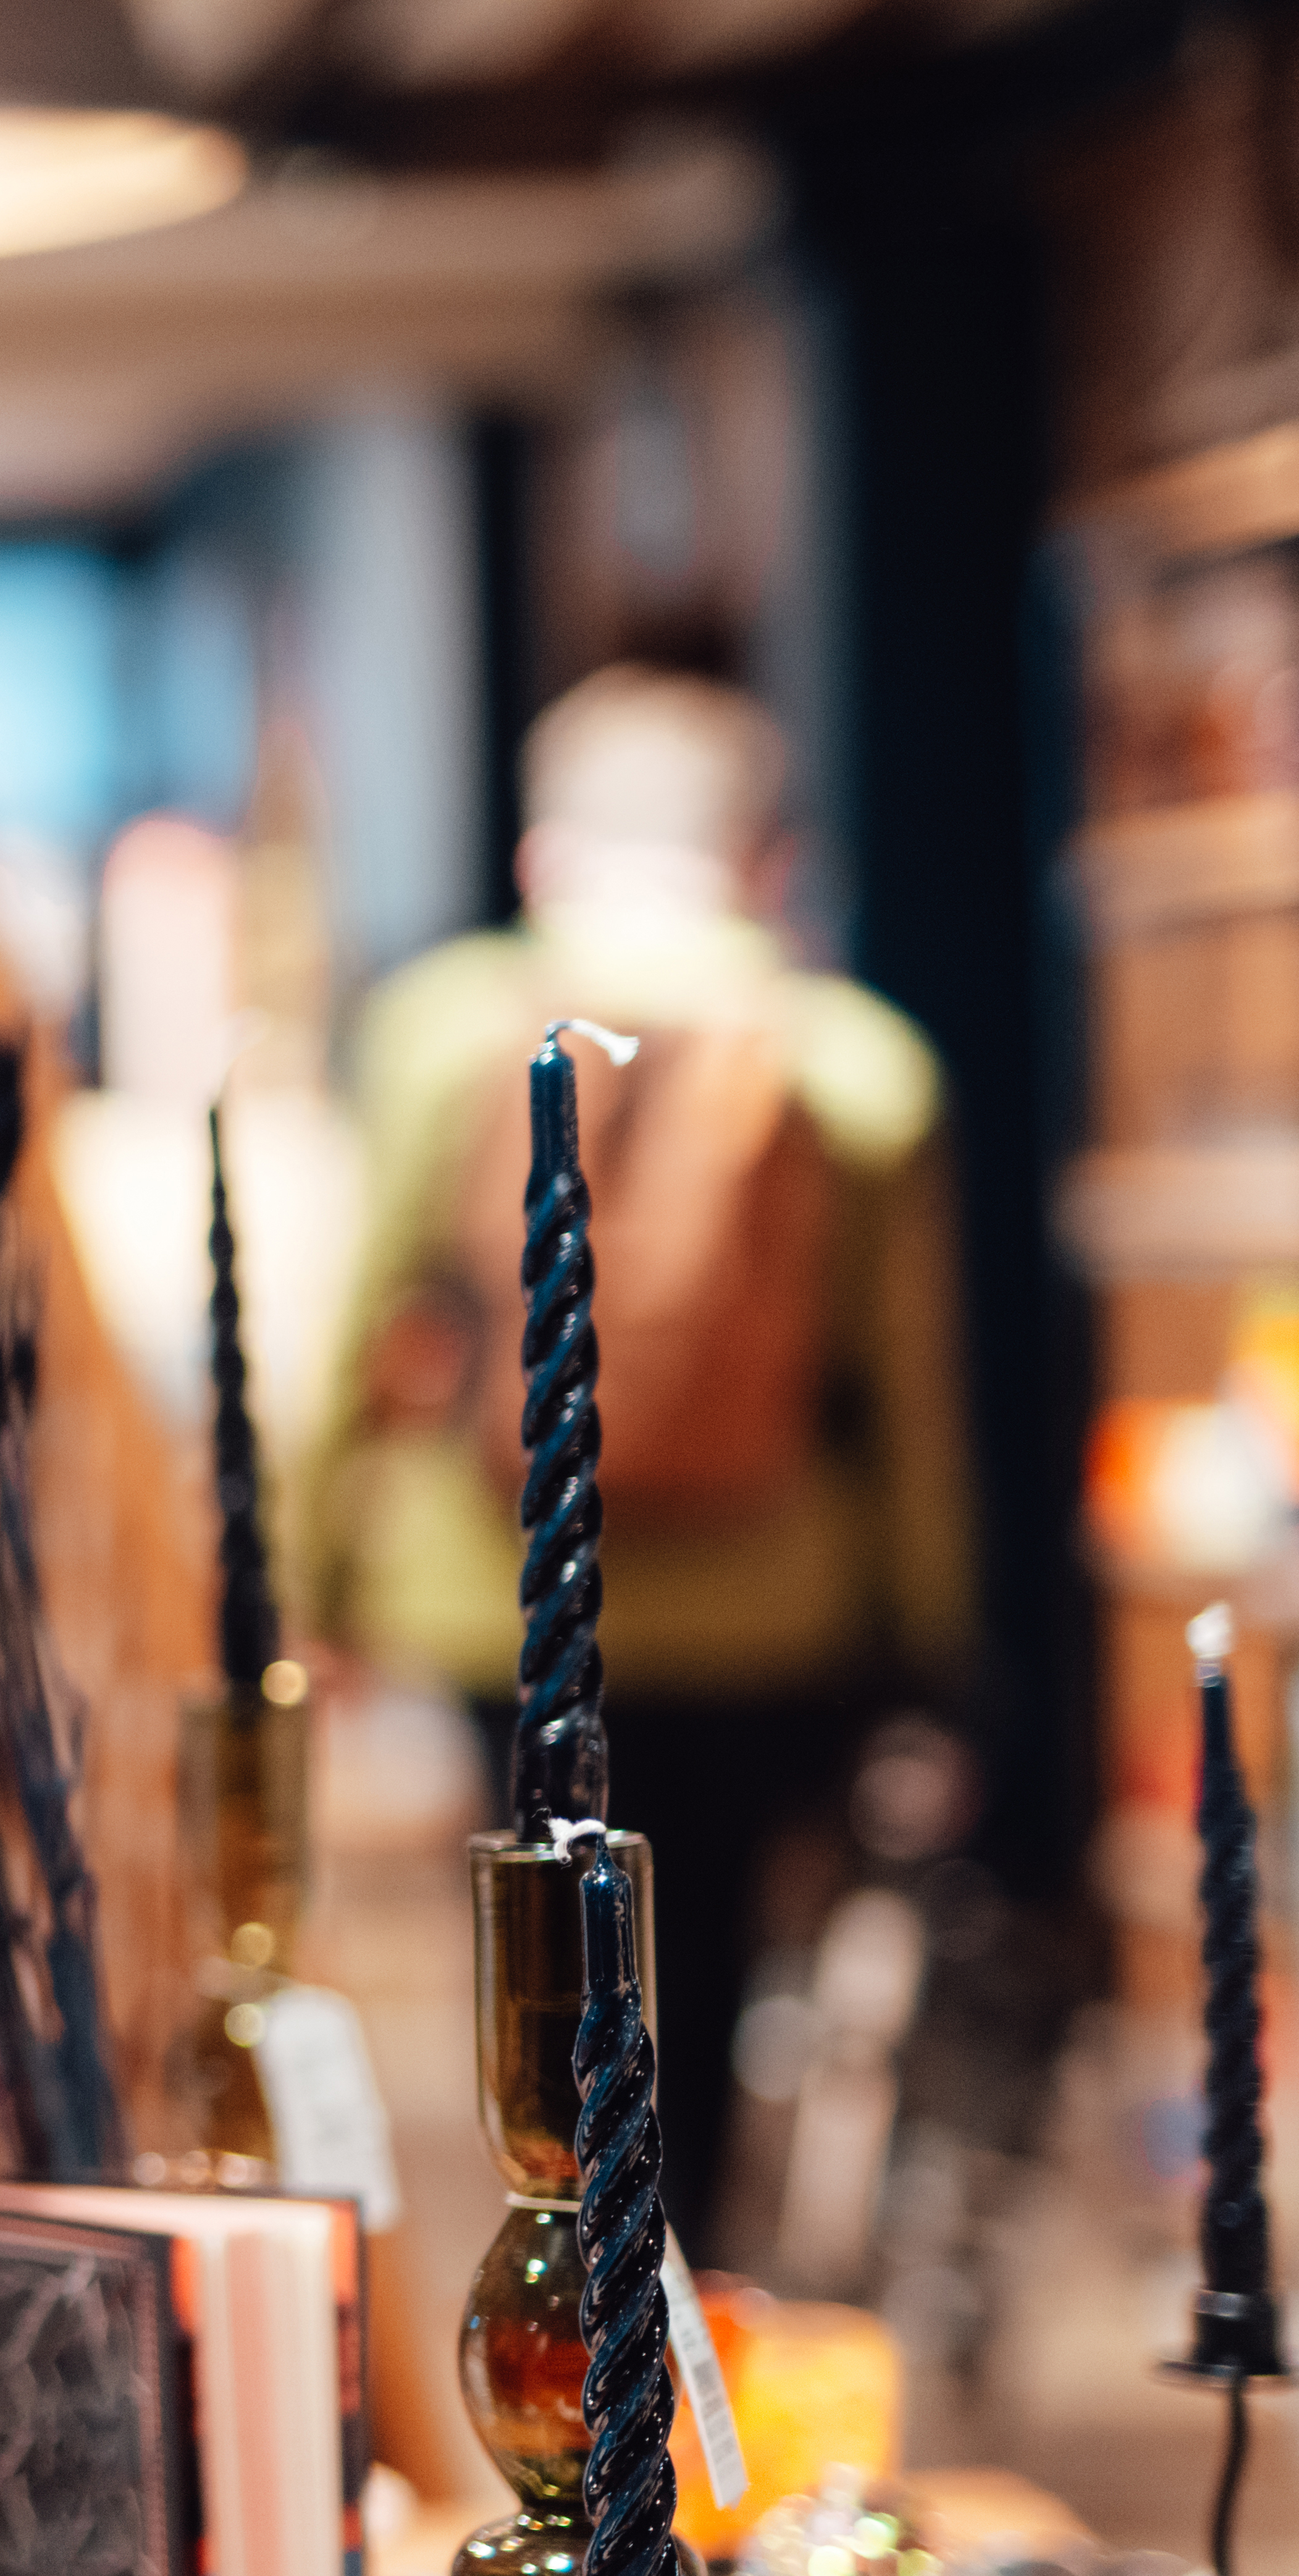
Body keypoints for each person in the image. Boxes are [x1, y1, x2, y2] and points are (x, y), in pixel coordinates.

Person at [311, 666, 974, 2246]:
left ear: (545, 855)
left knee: (548, 1973)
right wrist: (930, 1644)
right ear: (764, 863)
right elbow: (908, 1410)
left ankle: (564, 2327)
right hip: (772, 1604)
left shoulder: (438, 1031)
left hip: (505, 1600)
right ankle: (694, 2322)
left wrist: (304, 1579)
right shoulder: (855, 1063)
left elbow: (351, 1335)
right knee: (725, 1974)